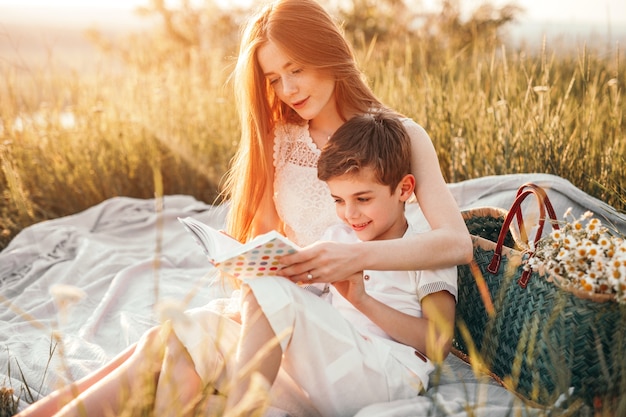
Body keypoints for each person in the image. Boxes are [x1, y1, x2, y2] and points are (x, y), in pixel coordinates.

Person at [15, 0, 471, 415]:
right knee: (177, 334)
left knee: (204, 333)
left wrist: (354, 260)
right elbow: (267, 241)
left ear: (328, 52)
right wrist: (254, 271)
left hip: (340, 325)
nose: (288, 88)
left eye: (296, 69)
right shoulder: (281, 139)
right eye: (274, 78)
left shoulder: (401, 138)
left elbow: (454, 244)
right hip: (305, 311)